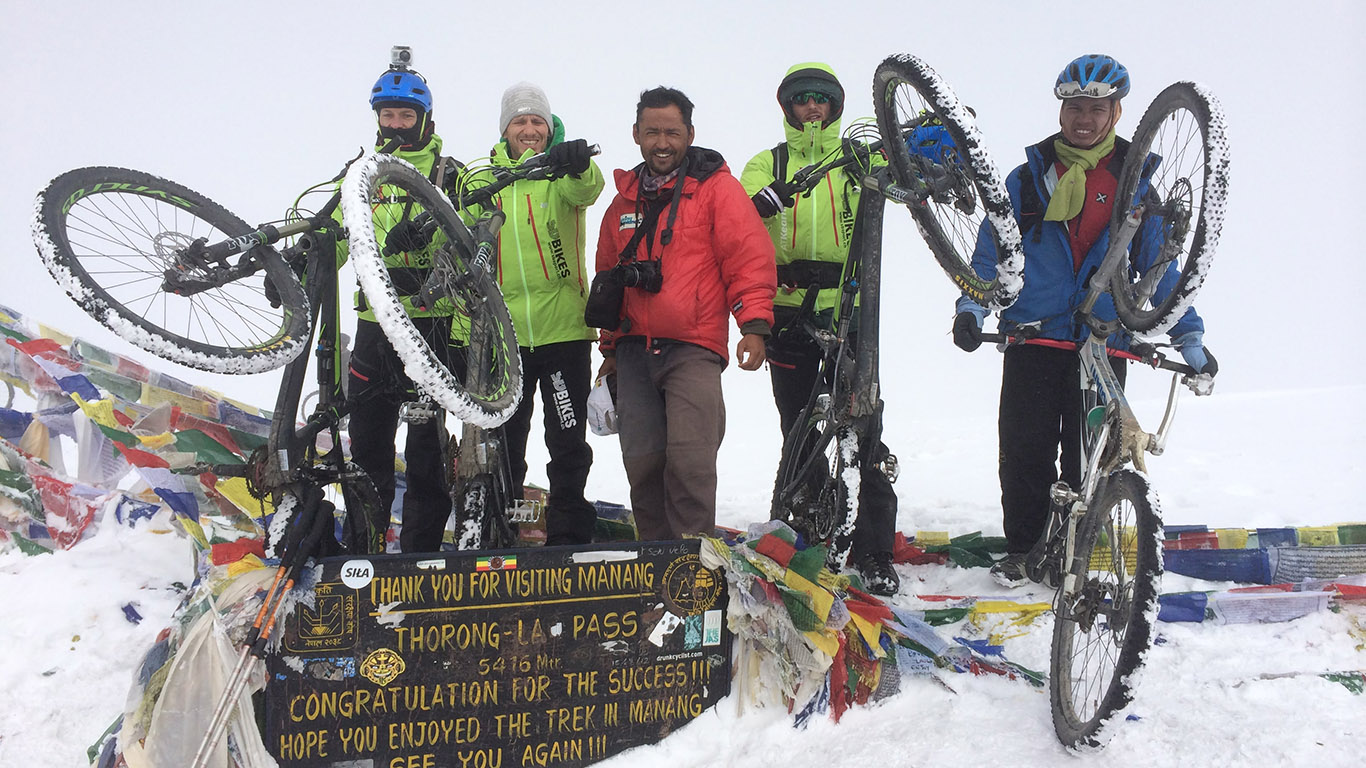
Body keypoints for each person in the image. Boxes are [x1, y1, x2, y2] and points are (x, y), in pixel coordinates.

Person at [951, 54, 1218, 587]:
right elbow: (993, 250)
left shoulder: (1135, 183)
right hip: (1034, 338)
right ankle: (1026, 550)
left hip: (1103, 343)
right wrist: (972, 307)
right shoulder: (1027, 179)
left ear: (1116, 112)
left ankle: (1076, 556)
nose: (1083, 117)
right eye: (1075, 105)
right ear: (1061, 109)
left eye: (1096, 108)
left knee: (1090, 461)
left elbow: (1157, 269)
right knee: (1024, 455)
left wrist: (1189, 334)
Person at [739, 62, 901, 596]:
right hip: (787, 310)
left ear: (835, 106)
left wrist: (926, 139)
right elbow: (742, 215)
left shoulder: (856, 157)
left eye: (822, 99)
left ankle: (875, 550)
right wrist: (758, 204)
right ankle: (807, 528)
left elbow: (900, 166)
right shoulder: (768, 162)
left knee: (866, 425)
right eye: (803, 99)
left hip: (850, 310)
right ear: (788, 107)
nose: (813, 107)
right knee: (798, 426)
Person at [592, 86, 777, 541]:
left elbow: (748, 258)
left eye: (672, 132)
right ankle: (656, 566)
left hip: (693, 348)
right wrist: (610, 349)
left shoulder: (717, 190)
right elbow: (608, 277)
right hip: (634, 352)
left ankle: (694, 568)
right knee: (642, 461)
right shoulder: (621, 203)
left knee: (691, 461)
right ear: (635, 134)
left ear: (690, 134)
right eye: (652, 131)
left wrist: (753, 325)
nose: (662, 142)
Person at [459, 82, 605, 545]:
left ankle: (569, 535)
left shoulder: (562, 170)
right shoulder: (479, 179)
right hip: (506, 337)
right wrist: (468, 333)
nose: (528, 129)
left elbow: (589, 190)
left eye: (536, 121)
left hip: (563, 331)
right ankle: (501, 532)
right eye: (519, 121)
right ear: (505, 129)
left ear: (549, 127)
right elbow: (463, 252)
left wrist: (576, 160)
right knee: (505, 445)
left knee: (566, 440)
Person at [343, 61, 460, 553]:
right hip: (373, 328)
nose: (394, 124)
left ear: (425, 120)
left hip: (430, 329)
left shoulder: (450, 174)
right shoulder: (359, 174)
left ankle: (420, 557)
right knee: (367, 451)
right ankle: (362, 556)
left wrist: (428, 232)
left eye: (404, 116)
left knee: (426, 455)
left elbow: (469, 242)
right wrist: (295, 272)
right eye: (387, 114)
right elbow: (333, 233)